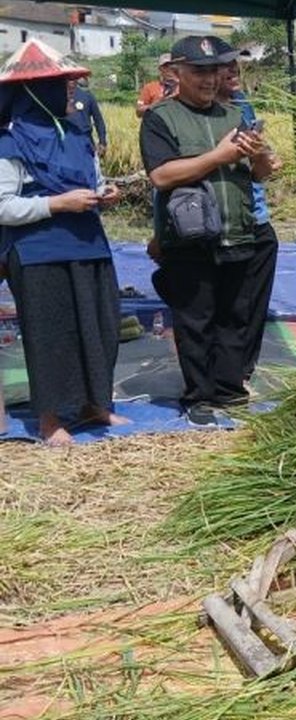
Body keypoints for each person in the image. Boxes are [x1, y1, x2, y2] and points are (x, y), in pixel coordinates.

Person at [141, 36, 278, 427]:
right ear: (176, 73)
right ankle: (198, 396)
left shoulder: (233, 115)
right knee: (195, 320)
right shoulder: (160, 118)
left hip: (239, 229)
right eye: (199, 70)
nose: (209, 78)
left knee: (236, 316)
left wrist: (261, 155)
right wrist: (219, 155)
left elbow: (260, 174)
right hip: (190, 238)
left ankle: (229, 390)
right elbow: (162, 175)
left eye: (215, 70)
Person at [0, 40, 125, 445]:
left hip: (90, 244)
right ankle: (50, 419)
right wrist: (57, 204)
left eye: (71, 82)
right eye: (61, 83)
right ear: (34, 90)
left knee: (99, 327)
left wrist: (104, 192)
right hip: (39, 251)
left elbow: (92, 179)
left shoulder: (77, 132)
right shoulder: (10, 142)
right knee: (50, 334)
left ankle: (96, 404)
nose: (71, 88)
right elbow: (4, 207)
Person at [211, 37, 282, 383]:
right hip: (220, 224)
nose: (233, 72)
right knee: (227, 306)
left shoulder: (244, 106)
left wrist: (265, 158)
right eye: (225, 67)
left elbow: (259, 170)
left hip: (256, 217)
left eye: (235, 65)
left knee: (253, 305)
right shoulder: (193, 114)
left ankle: (242, 370)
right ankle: (221, 374)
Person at [64, 78, 107, 156]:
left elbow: (98, 120)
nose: (71, 81)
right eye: (68, 78)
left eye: (73, 78)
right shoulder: (58, 97)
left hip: (85, 140)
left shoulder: (87, 96)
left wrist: (102, 141)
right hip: (65, 141)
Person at [135, 53, 177, 118]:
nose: (169, 69)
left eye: (172, 66)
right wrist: (159, 103)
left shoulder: (184, 86)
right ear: (160, 69)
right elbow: (138, 112)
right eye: (165, 66)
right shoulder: (149, 87)